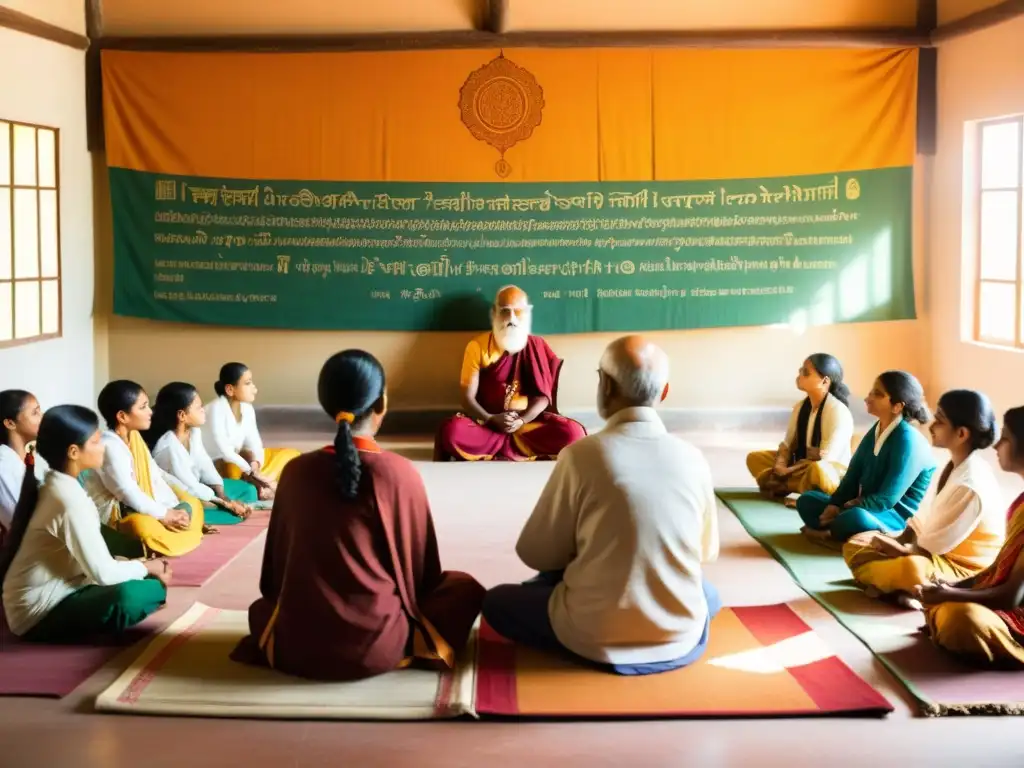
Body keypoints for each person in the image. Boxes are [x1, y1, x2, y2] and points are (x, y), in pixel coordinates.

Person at [233, 350, 485, 681]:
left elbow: (274, 579)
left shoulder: (295, 472)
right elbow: (422, 579)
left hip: (295, 646)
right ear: (381, 403)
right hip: (378, 647)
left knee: (261, 610)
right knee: (464, 589)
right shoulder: (399, 472)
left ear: (326, 405)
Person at [482, 335, 720, 674]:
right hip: (678, 632)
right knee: (709, 595)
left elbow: (536, 554)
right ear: (664, 392)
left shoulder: (582, 455)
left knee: (497, 602)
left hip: (591, 634)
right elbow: (704, 553)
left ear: (604, 385)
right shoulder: (693, 459)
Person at [1, 405, 171, 641]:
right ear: (73, 451)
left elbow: (94, 560)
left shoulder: (60, 484)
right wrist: (146, 569)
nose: (103, 448)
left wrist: (134, 566)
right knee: (135, 593)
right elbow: (103, 573)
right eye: (96, 442)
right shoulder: (65, 498)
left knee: (136, 574)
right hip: (40, 611)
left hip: (69, 585)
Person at [843, 390, 1004, 607]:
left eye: (940, 421)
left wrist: (896, 548)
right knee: (857, 543)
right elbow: (923, 525)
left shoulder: (970, 483)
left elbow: (932, 548)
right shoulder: (953, 464)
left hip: (961, 572)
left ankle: (902, 588)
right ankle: (897, 589)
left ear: (962, 434)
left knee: (910, 569)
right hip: (930, 553)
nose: (931, 426)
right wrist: (896, 541)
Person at [914, 406, 1024, 667]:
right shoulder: (1020, 502)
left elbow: (1011, 596)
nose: (997, 446)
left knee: (960, 620)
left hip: (1016, 614)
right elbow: (999, 568)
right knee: (945, 602)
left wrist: (948, 595)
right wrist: (951, 589)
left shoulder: (972, 479)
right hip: (990, 591)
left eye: (1006, 437)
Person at [433, 285, 586, 461]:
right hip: (487, 425)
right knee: (451, 431)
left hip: (527, 426)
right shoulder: (478, 347)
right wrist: (491, 419)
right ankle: (510, 447)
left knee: (573, 433)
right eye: (505, 311)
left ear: (527, 313)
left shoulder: (536, 345)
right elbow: (467, 398)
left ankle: (503, 446)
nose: (512, 319)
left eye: (518, 312)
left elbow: (543, 397)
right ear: (494, 312)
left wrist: (521, 421)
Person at [796, 371, 936, 543]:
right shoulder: (877, 429)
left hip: (892, 517)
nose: (868, 398)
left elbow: (887, 499)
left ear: (897, 406)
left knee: (854, 518)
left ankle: (831, 533)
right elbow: (852, 475)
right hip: (862, 507)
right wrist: (835, 504)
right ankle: (837, 532)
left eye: (877, 394)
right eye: (871, 392)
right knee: (807, 501)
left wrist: (844, 509)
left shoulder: (908, 440)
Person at [84, 380, 206, 558]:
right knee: (141, 526)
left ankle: (174, 531)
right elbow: (127, 492)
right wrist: (165, 514)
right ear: (122, 417)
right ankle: (158, 539)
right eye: (143, 407)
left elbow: (157, 473)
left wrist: (180, 497)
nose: (150, 411)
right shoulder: (110, 446)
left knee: (193, 503)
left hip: (145, 505)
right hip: (118, 515)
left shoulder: (134, 437)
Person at [146, 382, 256, 526]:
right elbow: (188, 487)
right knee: (216, 512)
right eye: (198, 407)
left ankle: (225, 507)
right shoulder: (168, 449)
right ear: (182, 415)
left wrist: (222, 495)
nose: (203, 410)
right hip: (182, 497)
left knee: (248, 489)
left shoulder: (194, 432)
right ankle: (218, 512)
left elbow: (205, 465)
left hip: (202, 490)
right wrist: (224, 503)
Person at [746, 354, 854, 497]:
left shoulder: (837, 411)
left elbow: (825, 459)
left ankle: (783, 485)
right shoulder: (800, 407)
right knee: (755, 458)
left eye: (805, 372)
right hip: (801, 466)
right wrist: (780, 465)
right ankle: (792, 485)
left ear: (825, 381)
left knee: (818, 469)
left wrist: (788, 471)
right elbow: (787, 445)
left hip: (829, 474)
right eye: (800, 370)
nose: (799, 376)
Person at [204, 363, 299, 501]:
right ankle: (262, 484)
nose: (254, 389)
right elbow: (224, 452)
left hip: (244, 467)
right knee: (231, 465)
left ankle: (261, 483)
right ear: (230, 389)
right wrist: (251, 472)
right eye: (248, 383)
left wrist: (255, 465)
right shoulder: (215, 409)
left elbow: (254, 444)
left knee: (292, 456)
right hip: (221, 466)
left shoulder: (247, 409)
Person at [0, 390, 45, 536]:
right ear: (10, 423)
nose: (43, 417)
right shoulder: (4, 465)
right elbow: (23, 522)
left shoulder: (17, 460)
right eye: (35, 413)